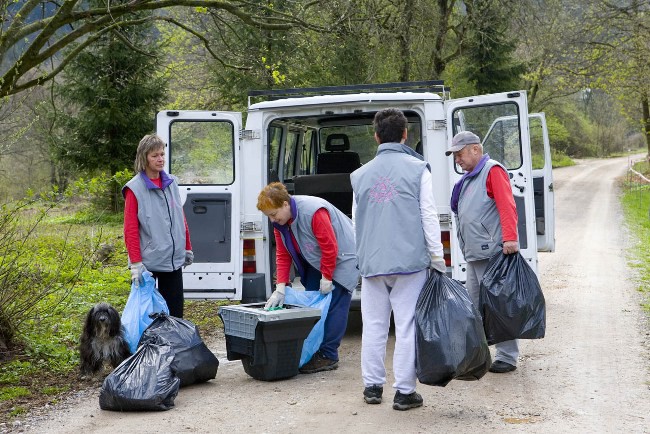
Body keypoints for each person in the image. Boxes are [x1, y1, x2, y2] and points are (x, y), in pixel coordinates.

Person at [350, 108, 445, 411]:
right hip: (409, 263)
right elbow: (429, 216)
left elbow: (357, 224)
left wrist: (361, 260)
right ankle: (404, 392)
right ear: (406, 134)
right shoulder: (419, 169)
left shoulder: (359, 175)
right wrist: (438, 257)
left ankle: (372, 387)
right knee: (406, 325)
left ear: (376, 136)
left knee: (374, 325)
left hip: (372, 263)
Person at [257, 182, 359, 374]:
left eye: (273, 214)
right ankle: (314, 350)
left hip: (343, 258)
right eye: (268, 216)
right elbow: (283, 254)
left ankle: (328, 355)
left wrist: (327, 277)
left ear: (286, 204)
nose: (272, 219)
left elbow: (330, 247)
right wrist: (280, 285)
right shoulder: (280, 223)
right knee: (314, 307)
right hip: (316, 261)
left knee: (335, 304)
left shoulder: (313, 211)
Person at [446, 130, 519, 373]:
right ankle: (478, 356)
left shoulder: (492, 171)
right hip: (476, 254)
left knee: (498, 306)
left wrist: (510, 238)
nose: (457, 159)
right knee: (475, 306)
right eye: (455, 155)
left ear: (475, 149)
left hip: (492, 253)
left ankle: (507, 357)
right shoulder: (468, 178)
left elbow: (506, 205)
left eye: (460, 154)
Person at [122, 134, 193, 318]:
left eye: (162, 154)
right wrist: (136, 263)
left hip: (172, 261)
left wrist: (186, 247)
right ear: (144, 157)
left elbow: (180, 217)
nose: (160, 159)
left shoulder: (172, 182)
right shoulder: (134, 189)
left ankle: (174, 347)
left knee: (175, 315)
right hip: (148, 264)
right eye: (155, 155)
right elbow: (130, 230)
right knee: (147, 317)